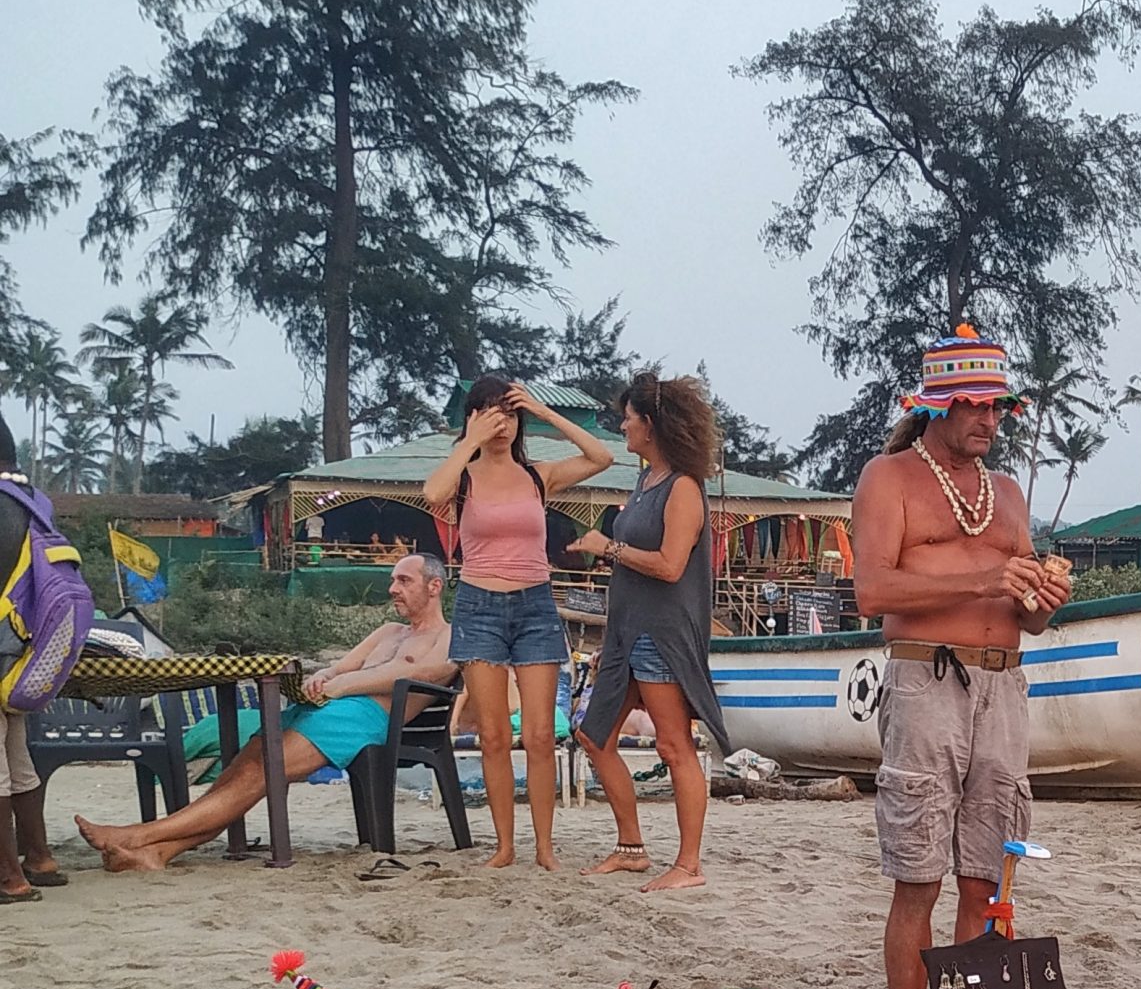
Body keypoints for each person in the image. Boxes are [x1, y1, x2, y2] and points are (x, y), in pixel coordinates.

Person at [849, 325, 1072, 989]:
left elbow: (1027, 616)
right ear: (938, 406)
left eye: (998, 406)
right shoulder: (890, 477)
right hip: (926, 681)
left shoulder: (1006, 492)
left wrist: (1041, 600)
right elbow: (871, 591)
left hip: (1004, 686)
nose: (988, 418)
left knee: (987, 874)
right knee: (920, 877)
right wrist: (984, 579)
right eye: (974, 405)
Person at [76, 554, 456, 872]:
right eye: (393, 580)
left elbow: (425, 673)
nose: (393, 589)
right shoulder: (388, 631)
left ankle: (138, 835)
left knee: (263, 772)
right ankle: (158, 853)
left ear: (434, 586)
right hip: (326, 708)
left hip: (363, 719)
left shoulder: (449, 635)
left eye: (404, 581)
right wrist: (324, 677)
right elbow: (339, 667)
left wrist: (345, 685)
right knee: (243, 769)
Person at [423, 376, 612, 870]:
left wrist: (546, 413)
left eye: (508, 414)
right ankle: (505, 846)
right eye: (488, 412)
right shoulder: (463, 477)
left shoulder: (537, 475)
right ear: (472, 417)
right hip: (479, 606)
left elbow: (601, 458)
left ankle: (544, 848)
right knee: (492, 735)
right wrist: (470, 440)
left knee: (539, 734)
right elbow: (432, 493)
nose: (500, 423)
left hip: (534, 607)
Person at [569, 372, 729, 896]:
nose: (623, 426)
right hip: (624, 633)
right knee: (594, 735)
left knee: (673, 745)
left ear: (651, 425)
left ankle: (689, 862)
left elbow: (668, 565)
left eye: (629, 419)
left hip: (660, 633)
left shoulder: (683, 488)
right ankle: (632, 847)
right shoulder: (644, 482)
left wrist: (606, 546)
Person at [1, 413, 65, 900]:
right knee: (16, 755)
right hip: (24, 648)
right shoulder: (32, 502)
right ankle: (39, 858)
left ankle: (10, 879)